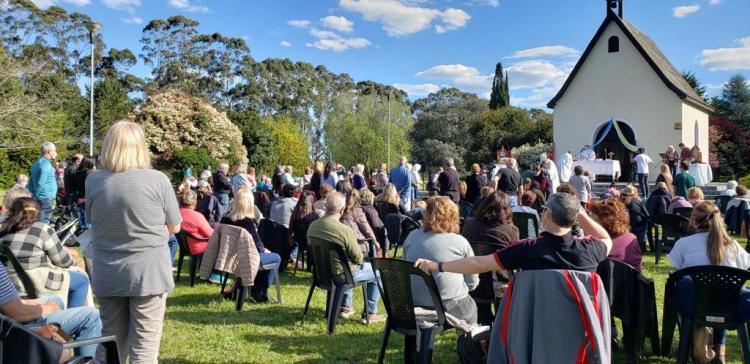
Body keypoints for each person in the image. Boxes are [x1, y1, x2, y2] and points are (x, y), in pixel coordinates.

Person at [85, 120, 181, 363]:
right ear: (141, 146)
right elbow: (175, 226)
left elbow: (92, 219)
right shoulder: (158, 179)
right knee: (144, 349)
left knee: (110, 347)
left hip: (108, 271)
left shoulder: (94, 181)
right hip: (148, 272)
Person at [414, 192, 612, 276]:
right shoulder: (590, 249)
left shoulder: (527, 249)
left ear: (548, 215)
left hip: (537, 325)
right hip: (579, 329)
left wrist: (435, 265)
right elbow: (606, 239)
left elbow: (478, 263)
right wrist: (581, 215)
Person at [667, 201, 750, 363]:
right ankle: (720, 351)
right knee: (723, 297)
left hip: (695, 307)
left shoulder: (683, 244)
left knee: (706, 296)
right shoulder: (733, 245)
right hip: (732, 308)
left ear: (694, 221)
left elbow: (677, 272)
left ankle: (698, 347)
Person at [306, 192, 384, 323]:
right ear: (342, 210)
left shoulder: (313, 226)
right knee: (378, 271)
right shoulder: (344, 230)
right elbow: (358, 258)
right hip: (340, 276)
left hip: (321, 275)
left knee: (346, 265)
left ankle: (345, 306)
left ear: (325, 207)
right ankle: (370, 312)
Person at [0, 197, 90, 308]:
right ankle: (74, 316)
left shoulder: (4, 231)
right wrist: (73, 262)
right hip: (39, 282)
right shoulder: (42, 229)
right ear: (37, 213)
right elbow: (64, 261)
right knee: (82, 281)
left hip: (12, 284)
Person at [404, 197, 479, 324]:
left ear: (426, 214)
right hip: (449, 305)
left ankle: (414, 343)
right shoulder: (460, 242)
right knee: (471, 308)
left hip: (413, 303)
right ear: (453, 215)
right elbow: (472, 282)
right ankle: (467, 341)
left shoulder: (411, 237)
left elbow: (405, 268)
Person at [0, 267, 102, 358]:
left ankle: (63, 345)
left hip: (19, 284)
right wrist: (48, 308)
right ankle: (61, 349)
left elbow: (9, 303)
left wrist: (31, 303)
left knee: (56, 300)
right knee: (91, 315)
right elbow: (19, 313)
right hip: (10, 332)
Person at [221, 189, 282, 302]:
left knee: (262, 256)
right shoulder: (246, 222)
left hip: (230, 257)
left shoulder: (225, 219)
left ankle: (250, 289)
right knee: (276, 257)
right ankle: (261, 291)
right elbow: (257, 245)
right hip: (245, 258)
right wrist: (264, 250)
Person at [590, 199, 642, 271]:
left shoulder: (598, 243)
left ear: (603, 220)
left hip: (606, 280)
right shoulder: (632, 238)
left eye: (592, 218)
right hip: (632, 281)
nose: (590, 221)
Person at [340, 189, 379, 256]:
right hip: (356, 244)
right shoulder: (357, 211)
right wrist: (375, 242)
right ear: (358, 198)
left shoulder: (340, 210)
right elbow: (367, 229)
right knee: (373, 246)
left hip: (343, 244)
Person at [27, 142, 58, 224]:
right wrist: (37, 196)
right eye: (54, 150)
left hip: (40, 197)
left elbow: (30, 181)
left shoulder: (37, 163)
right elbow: (41, 182)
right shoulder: (46, 164)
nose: (55, 152)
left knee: (39, 220)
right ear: (49, 152)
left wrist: (32, 194)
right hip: (45, 197)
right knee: (43, 222)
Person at [621, 185, 649, 250]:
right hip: (638, 225)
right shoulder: (638, 201)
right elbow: (647, 214)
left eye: (625, 195)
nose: (624, 196)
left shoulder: (631, 203)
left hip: (636, 225)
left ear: (629, 195)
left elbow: (646, 214)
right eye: (624, 195)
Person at [71, 156, 95, 231]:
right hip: (87, 198)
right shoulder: (90, 173)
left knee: (83, 222)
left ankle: (83, 239)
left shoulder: (77, 172)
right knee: (89, 223)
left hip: (79, 197)